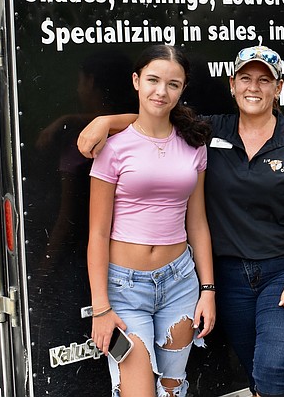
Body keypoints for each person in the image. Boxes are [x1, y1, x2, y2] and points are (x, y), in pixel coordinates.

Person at [80, 45, 284, 397]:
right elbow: (156, 117)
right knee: (258, 375)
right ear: (231, 84)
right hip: (218, 280)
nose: (254, 87)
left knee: (274, 372)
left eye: (265, 80)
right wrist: (106, 121)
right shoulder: (208, 132)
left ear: (278, 88)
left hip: (281, 271)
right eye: (246, 78)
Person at [87, 44, 215, 397]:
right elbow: (97, 233)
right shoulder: (112, 147)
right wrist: (101, 309)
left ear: (182, 89)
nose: (161, 91)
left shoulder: (194, 144)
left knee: (173, 389)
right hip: (124, 291)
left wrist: (207, 290)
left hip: (180, 284)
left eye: (173, 84)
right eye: (153, 80)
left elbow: (198, 223)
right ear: (136, 81)